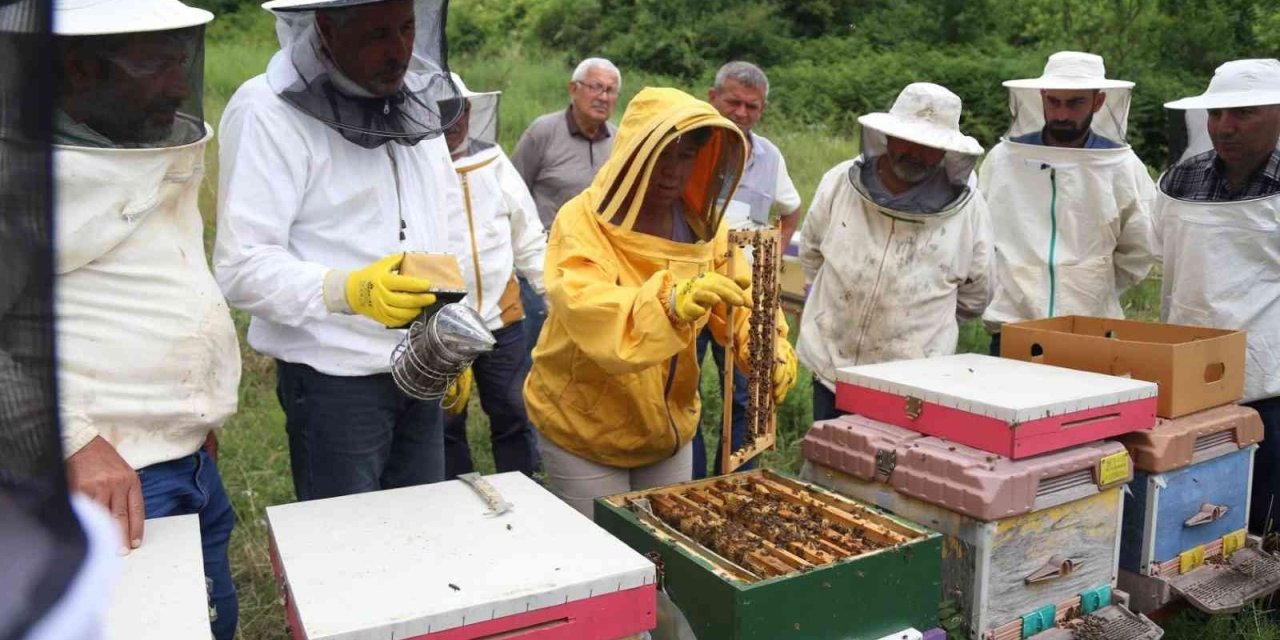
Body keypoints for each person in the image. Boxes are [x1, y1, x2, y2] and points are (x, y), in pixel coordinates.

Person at [214, 0, 468, 501]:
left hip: (420, 366)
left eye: (407, 27)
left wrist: (451, 341)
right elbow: (240, 264)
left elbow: (444, 229)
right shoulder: (266, 109)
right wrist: (344, 290)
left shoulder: (413, 97)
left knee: (425, 536)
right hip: (335, 381)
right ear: (326, 28)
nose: (399, 49)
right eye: (377, 34)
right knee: (347, 553)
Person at [52, 0, 241, 637]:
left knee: (209, 617)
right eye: (157, 63)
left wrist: (190, 412)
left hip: (183, 460)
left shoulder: (139, 153)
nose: (179, 83)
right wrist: (73, 443)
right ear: (79, 70)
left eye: (180, 58)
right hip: (100, 482)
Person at [523, 87, 798, 518]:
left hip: (669, 428)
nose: (673, 171)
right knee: (605, 568)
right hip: (586, 426)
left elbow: (742, 299)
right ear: (635, 151)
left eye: (687, 155)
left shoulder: (704, 225)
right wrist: (668, 302)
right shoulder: (581, 220)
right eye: (663, 154)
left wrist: (767, 348)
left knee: (665, 558)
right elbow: (586, 304)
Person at [797, 82, 993, 421]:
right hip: (833, 366)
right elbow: (812, 252)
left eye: (930, 145)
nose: (916, 152)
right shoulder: (838, 183)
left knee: (895, 471)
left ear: (947, 151)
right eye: (907, 138)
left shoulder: (971, 210)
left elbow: (977, 293)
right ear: (887, 136)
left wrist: (925, 325)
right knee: (828, 465)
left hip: (914, 384)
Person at [1153, 58, 1280, 534]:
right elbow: (1159, 251)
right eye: (1217, 114)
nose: (1225, 127)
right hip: (1186, 370)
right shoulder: (1180, 179)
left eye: (1244, 113)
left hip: (1268, 381)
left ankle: (1263, 603)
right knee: (1193, 503)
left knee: (1267, 510)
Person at [980, 51, 1156, 356]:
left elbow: (1140, 248)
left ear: (1098, 102)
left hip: (1091, 331)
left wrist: (1092, 282)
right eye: (1054, 102)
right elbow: (981, 235)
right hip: (1012, 328)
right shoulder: (1004, 160)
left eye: (1075, 103)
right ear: (1042, 97)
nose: (1062, 114)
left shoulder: (1121, 166)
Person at [691, 61, 803, 478]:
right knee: (683, 390)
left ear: (762, 108)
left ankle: (736, 482)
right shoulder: (688, 145)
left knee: (746, 389)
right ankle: (688, 483)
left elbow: (790, 210)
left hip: (744, 291)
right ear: (712, 97)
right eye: (733, 102)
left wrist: (770, 262)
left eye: (751, 106)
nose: (741, 112)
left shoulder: (770, 156)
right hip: (692, 286)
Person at [439, 73, 545, 478]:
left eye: (458, 110)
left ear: (469, 111)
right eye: (442, 113)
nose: (454, 123)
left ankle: (524, 491)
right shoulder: (416, 167)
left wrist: (552, 293)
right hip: (444, 324)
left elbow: (527, 234)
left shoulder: (494, 160)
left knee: (515, 412)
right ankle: (454, 506)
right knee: (446, 424)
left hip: (504, 314)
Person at [511, 57, 622, 353]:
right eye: (596, 87)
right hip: (544, 263)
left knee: (587, 351)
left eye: (611, 90)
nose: (603, 97)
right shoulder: (543, 132)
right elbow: (513, 193)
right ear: (573, 89)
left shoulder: (620, 141)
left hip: (600, 265)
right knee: (538, 349)